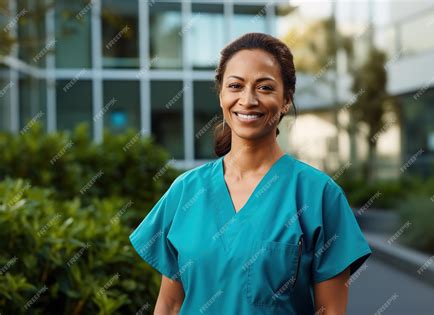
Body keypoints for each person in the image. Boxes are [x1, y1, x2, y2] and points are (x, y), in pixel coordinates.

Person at [129, 32, 372, 315]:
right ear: (221, 96)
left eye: (265, 88)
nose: (248, 100)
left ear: (285, 100)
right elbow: (170, 305)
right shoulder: (186, 191)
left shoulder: (318, 195)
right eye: (235, 86)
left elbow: (330, 310)